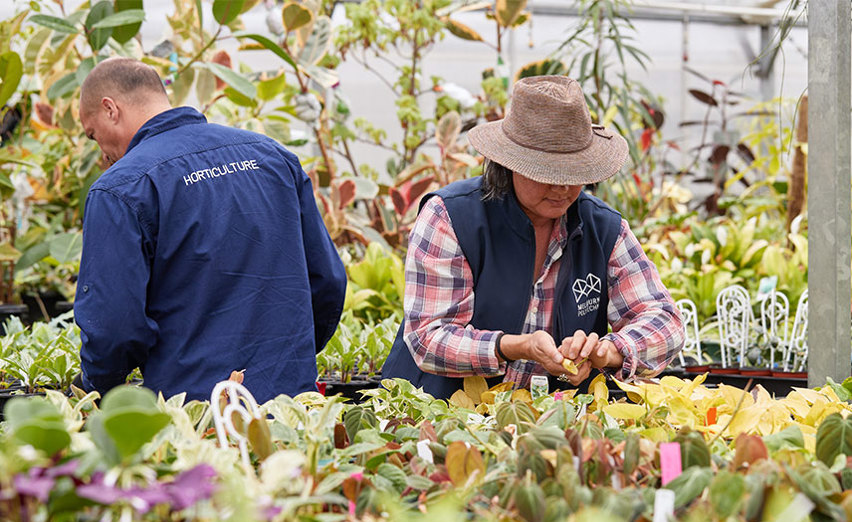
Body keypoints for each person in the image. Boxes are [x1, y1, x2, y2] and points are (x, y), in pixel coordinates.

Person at [382, 75, 684, 399]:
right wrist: (514, 347)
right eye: (546, 174)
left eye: (573, 173)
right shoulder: (451, 217)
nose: (562, 188)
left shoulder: (603, 229)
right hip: (437, 415)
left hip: (550, 423)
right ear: (510, 163)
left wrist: (609, 351)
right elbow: (428, 338)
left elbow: (665, 322)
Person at [75, 58, 346, 403]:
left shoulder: (121, 188)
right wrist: (289, 359)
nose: (103, 154)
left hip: (196, 415)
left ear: (110, 109)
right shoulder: (274, 157)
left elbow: (114, 325)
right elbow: (328, 281)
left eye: (93, 134)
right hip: (290, 406)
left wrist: (100, 388)